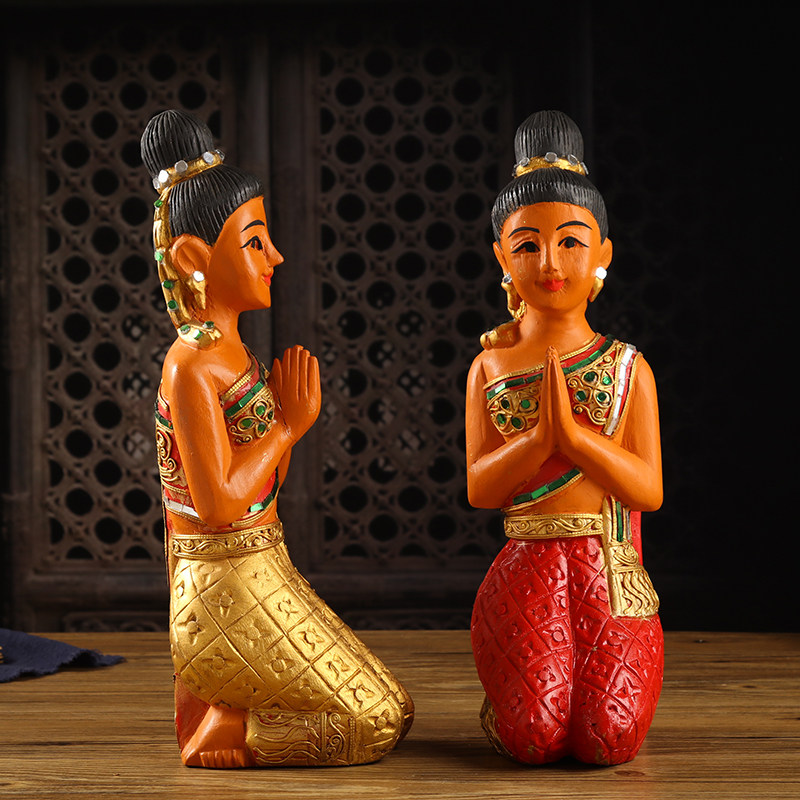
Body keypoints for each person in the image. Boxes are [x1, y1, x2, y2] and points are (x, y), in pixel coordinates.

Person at [142, 110, 413, 768]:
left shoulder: (234, 353)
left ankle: (235, 711)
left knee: (397, 709)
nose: (276, 256)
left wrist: (283, 432)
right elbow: (218, 505)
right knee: (373, 724)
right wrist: (287, 427)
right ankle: (230, 732)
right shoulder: (190, 366)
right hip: (219, 589)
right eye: (256, 242)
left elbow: (265, 486)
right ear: (194, 260)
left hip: (264, 563)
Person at [467, 110, 663, 765]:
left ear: (603, 254)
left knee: (609, 738)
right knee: (535, 735)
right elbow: (480, 489)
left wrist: (575, 440)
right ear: (502, 257)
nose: (549, 262)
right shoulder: (490, 365)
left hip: (608, 569)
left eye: (571, 242)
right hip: (528, 564)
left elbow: (648, 491)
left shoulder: (627, 366)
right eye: (527, 246)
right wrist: (535, 441)